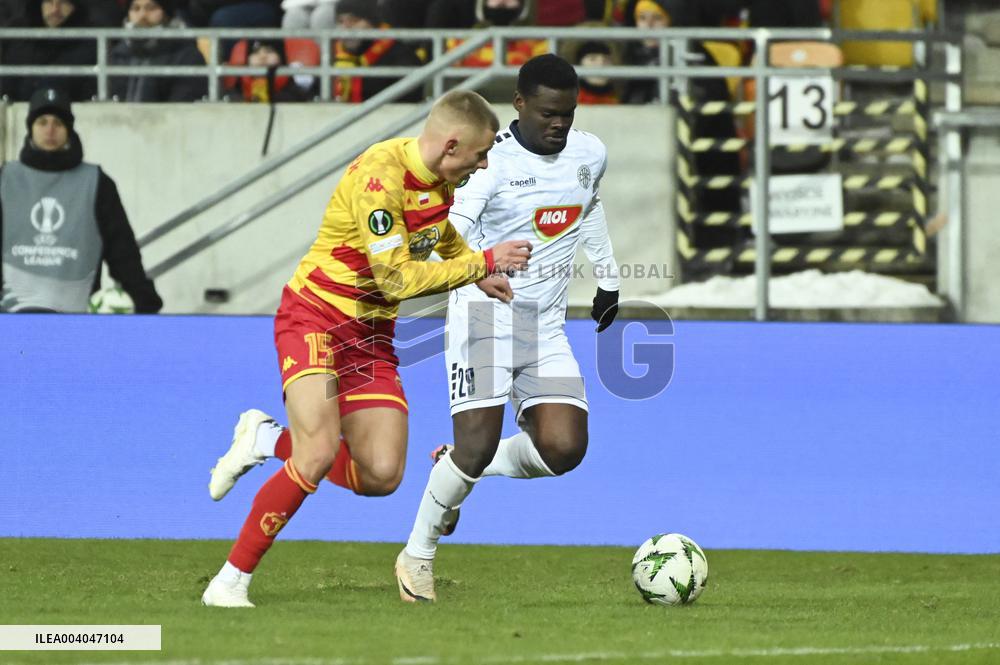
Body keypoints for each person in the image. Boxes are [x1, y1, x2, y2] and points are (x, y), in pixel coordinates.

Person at [200, 89, 534, 608]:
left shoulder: (440, 180)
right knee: (316, 454)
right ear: (451, 145)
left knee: (380, 475)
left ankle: (266, 440)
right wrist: (483, 262)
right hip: (316, 316)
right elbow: (396, 277)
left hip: (372, 338)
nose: (484, 163)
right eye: (480, 153)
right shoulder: (380, 178)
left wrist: (475, 267)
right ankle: (229, 581)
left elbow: (436, 232)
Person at [395, 53, 620, 602]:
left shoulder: (590, 153)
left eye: (567, 113)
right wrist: (485, 264)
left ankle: (461, 470)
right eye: (548, 113)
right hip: (482, 313)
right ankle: (417, 555)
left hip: (544, 323)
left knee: (564, 448)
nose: (559, 124)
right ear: (519, 105)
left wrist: (608, 280)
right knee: (474, 444)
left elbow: (587, 208)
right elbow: (449, 236)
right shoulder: (487, 165)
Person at [0, 88, 162, 313]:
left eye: (58, 122)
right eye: (42, 122)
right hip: (9, 320)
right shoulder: (5, 179)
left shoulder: (97, 182)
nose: (50, 129)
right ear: (30, 129)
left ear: (68, 129)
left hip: (76, 322)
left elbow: (122, 250)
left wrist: (143, 300)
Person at [108, 0, 208, 103]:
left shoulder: (187, 56)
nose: (142, 15)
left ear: (166, 13)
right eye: (136, 8)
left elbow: (183, 107)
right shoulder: (119, 55)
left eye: (151, 8)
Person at [0, 0, 97, 102]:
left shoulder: (91, 39)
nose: (55, 9)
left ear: (75, 6)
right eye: (49, 2)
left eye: (63, 2)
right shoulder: (17, 35)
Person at [332, 0, 424, 104]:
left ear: (373, 24)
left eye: (354, 20)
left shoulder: (402, 57)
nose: (346, 27)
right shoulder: (331, 54)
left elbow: (410, 99)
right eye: (340, 21)